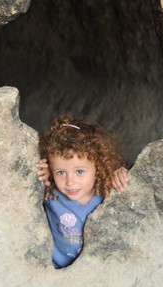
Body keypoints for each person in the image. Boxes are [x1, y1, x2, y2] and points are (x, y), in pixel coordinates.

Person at [36, 115, 128, 268]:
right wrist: (39, 177)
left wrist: (122, 174)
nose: (70, 182)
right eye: (61, 172)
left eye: (79, 172)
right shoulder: (50, 193)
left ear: (98, 167)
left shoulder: (107, 193)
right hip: (55, 270)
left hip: (96, 269)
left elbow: (132, 189)